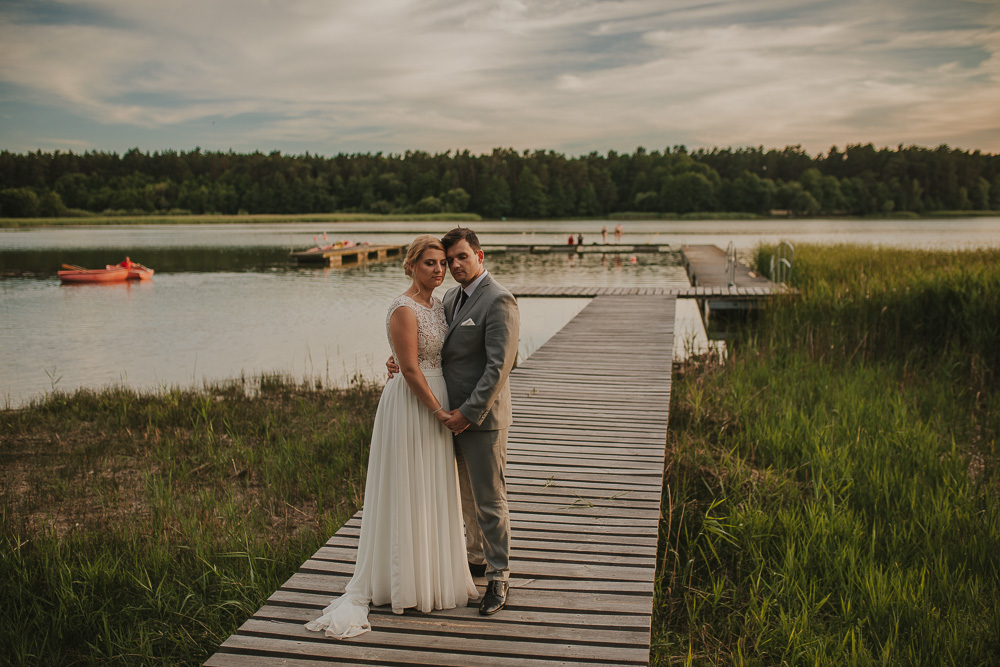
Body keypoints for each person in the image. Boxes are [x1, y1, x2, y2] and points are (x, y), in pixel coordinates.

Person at [305, 235, 478, 639]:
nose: (439, 270)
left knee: (432, 486)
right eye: (430, 263)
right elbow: (411, 369)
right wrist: (437, 410)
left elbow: (422, 353)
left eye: (443, 263)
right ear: (412, 265)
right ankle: (402, 581)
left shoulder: (440, 304)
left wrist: (402, 361)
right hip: (414, 404)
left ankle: (431, 574)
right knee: (407, 486)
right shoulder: (402, 307)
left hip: (438, 395)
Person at [388, 226, 520, 616]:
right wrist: (399, 359)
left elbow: (499, 367)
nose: (455, 265)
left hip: (481, 419)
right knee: (463, 496)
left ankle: (499, 577)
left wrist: (467, 414)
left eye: (462, 257)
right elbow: (434, 347)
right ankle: (476, 557)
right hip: (447, 414)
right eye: (449, 260)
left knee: (490, 500)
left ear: (479, 255)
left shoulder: (499, 299)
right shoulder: (449, 298)